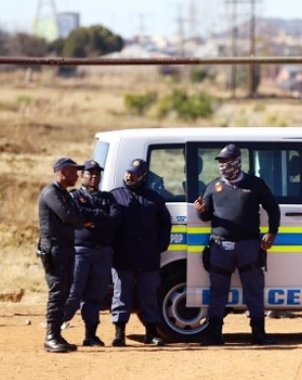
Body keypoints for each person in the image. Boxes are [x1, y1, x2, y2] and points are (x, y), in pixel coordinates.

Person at [193, 144, 281, 346]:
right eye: (221, 162)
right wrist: (200, 210)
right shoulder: (213, 186)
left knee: (254, 290)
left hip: (248, 246)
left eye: (226, 161)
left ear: (237, 162)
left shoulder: (255, 184)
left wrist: (271, 233)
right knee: (217, 291)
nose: (223, 165)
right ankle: (214, 334)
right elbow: (206, 216)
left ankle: (258, 334)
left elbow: (273, 208)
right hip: (220, 247)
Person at [110, 159, 172, 347]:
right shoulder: (115, 196)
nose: (130, 176)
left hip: (148, 257)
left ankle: (151, 334)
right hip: (123, 257)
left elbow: (165, 224)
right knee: (121, 295)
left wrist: (159, 246)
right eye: (128, 173)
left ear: (143, 177)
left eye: (135, 174)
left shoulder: (154, 199)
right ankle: (119, 333)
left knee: (149, 295)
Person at [62, 160, 120, 347]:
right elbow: (76, 215)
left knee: (95, 296)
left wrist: (92, 218)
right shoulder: (74, 196)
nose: (94, 177)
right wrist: (100, 216)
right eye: (90, 173)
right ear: (82, 176)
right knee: (73, 293)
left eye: (97, 174)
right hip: (80, 251)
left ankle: (90, 336)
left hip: (102, 252)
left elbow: (115, 220)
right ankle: (54, 331)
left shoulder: (107, 198)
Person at [37, 157, 87, 353]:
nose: (77, 176)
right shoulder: (51, 193)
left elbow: (77, 216)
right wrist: (79, 219)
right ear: (64, 172)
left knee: (64, 292)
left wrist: (79, 219)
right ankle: (50, 336)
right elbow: (70, 216)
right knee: (57, 292)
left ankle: (57, 335)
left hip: (65, 248)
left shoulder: (63, 194)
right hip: (55, 249)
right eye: (74, 172)